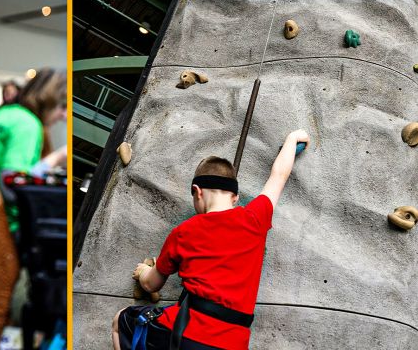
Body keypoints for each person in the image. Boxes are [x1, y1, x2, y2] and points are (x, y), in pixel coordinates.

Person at [114, 131, 309, 350]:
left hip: (185, 335)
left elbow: (152, 284)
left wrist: (142, 272)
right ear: (235, 197)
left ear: (197, 192)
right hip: (234, 343)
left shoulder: (184, 231)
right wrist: (292, 139)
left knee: (122, 319)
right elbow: (278, 176)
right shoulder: (255, 218)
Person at [0, 69, 66, 231]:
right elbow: (12, 189)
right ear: (49, 100)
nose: (64, 116)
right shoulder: (27, 124)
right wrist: (58, 156)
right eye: (63, 106)